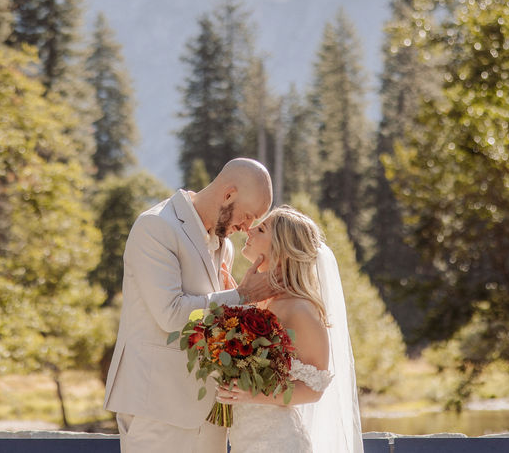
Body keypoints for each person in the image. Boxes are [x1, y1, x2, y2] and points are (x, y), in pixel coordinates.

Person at [104, 158, 277, 453]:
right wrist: (241, 296)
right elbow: (170, 315)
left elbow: (215, 319)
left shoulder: (226, 245)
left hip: (210, 411)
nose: (248, 228)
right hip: (157, 407)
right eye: (248, 216)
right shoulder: (156, 227)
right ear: (228, 195)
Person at [215, 205, 361, 453]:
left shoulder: (300, 309)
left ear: (281, 250)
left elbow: (314, 389)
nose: (249, 229)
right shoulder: (259, 301)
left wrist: (252, 394)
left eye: (261, 228)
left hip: (277, 443)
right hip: (244, 440)